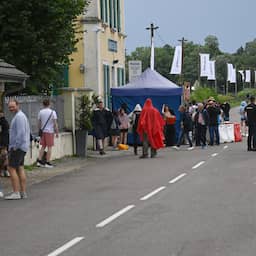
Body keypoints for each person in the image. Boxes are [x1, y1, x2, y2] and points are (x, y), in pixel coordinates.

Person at [5, 99, 30, 200]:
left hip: (18, 147)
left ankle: (16, 192)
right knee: (20, 168)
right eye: (10, 107)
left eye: (13, 106)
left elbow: (20, 134)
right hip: (22, 147)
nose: (11, 108)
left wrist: (14, 147)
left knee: (11, 168)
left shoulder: (19, 117)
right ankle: (23, 192)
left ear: (18, 105)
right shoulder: (21, 116)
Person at [37, 99, 59, 168]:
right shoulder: (53, 112)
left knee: (43, 146)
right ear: (49, 104)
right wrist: (57, 132)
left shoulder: (40, 112)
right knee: (49, 147)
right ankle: (47, 162)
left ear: (43, 104)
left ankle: (39, 161)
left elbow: (39, 123)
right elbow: (55, 123)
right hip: (50, 132)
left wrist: (39, 131)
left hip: (43, 131)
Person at [0, 112, 10, 177]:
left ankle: (3, 170)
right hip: (6, 141)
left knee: (3, 156)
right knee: (5, 156)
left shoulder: (1, 122)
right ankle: (5, 170)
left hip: (2, 141)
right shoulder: (6, 121)